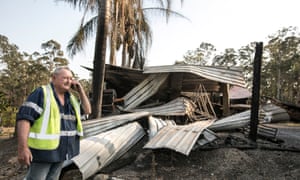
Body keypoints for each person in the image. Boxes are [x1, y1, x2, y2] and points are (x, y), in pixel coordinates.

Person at [16, 66, 91, 180]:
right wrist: (23, 148)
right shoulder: (42, 93)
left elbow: (87, 111)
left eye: (71, 78)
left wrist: (81, 90)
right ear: (54, 78)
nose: (69, 81)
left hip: (62, 152)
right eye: (65, 78)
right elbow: (24, 119)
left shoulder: (71, 99)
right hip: (43, 154)